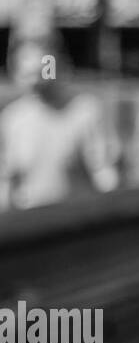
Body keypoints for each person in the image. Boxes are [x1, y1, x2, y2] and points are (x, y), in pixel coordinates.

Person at [0, 36, 118, 211]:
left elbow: (103, 172)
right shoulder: (12, 119)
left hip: (75, 223)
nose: (34, 75)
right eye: (26, 70)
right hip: (30, 227)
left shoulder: (85, 111)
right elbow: (7, 181)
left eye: (42, 67)